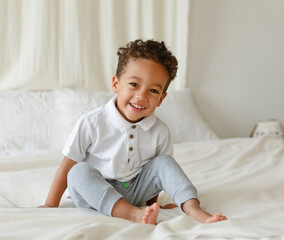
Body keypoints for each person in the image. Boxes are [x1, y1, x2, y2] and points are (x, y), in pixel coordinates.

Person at [39, 39, 227, 225]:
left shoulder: (160, 131)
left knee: (164, 162)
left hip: (134, 191)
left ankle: (192, 208)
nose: (142, 96)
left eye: (153, 90)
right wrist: (50, 205)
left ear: (161, 99)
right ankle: (132, 214)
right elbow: (66, 166)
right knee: (78, 172)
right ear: (116, 84)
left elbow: (157, 174)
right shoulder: (92, 122)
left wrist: (152, 205)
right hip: (95, 194)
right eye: (134, 85)